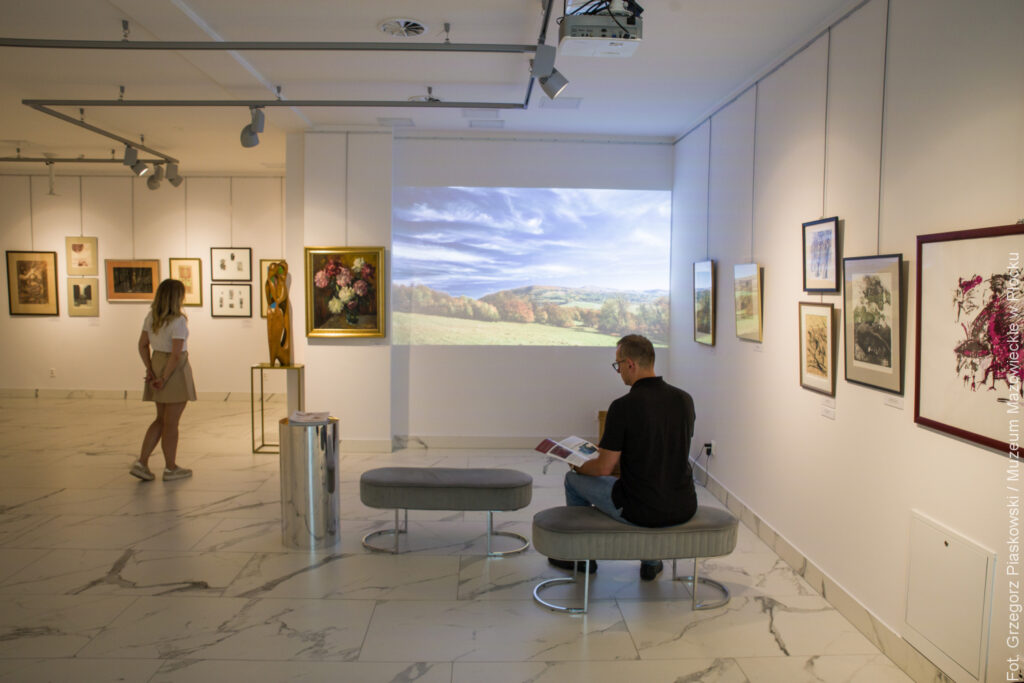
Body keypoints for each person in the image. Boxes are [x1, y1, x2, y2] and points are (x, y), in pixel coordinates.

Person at [548, 334, 697, 581]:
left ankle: (582, 557)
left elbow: (604, 468)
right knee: (652, 486)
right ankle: (651, 562)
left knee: (572, 481)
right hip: (684, 504)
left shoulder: (623, 406)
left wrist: (577, 465)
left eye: (618, 365)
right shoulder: (684, 399)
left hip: (639, 509)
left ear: (630, 364)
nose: (618, 372)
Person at [131, 278, 196, 482]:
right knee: (171, 422)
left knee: (160, 418)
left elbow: (142, 345)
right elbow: (175, 354)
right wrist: (164, 378)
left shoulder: (152, 317)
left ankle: (142, 462)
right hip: (174, 370)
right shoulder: (178, 321)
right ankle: (170, 467)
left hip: (158, 361)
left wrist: (151, 370)